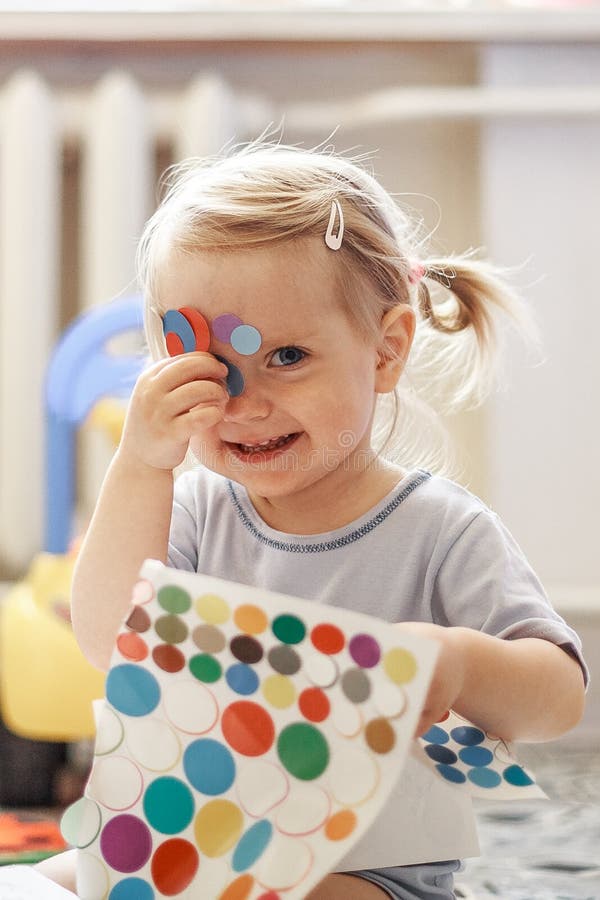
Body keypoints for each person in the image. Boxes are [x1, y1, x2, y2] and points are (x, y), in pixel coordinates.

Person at [48, 143, 587, 899]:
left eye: (288, 356)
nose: (246, 401)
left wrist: (460, 663)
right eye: (205, 365)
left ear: (386, 351)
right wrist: (143, 464)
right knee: (49, 882)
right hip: (195, 845)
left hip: (364, 873)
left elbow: (560, 699)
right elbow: (111, 641)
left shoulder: (441, 530)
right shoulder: (195, 510)